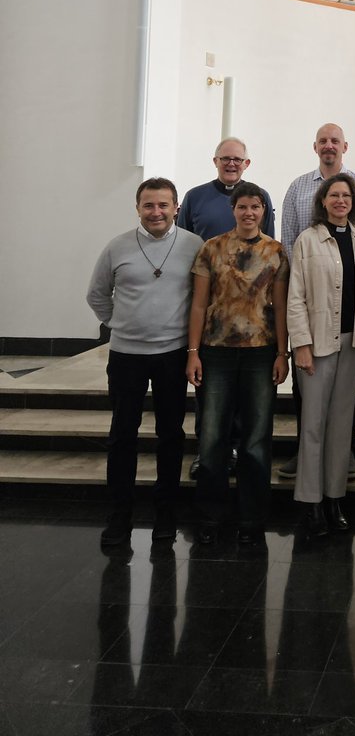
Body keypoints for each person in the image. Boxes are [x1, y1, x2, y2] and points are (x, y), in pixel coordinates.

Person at [86, 178, 203, 547]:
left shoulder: (193, 245)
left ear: (176, 208)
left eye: (163, 205)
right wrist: (121, 324)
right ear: (138, 208)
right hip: (126, 356)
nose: (156, 212)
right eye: (149, 206)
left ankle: (165, 513)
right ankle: (119, 516)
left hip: (172, 355)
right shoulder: (117, 246)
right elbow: (97, 295)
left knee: (170, 435)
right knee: (123, 436)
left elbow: (202, 298)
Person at [186, 182, 290, 543]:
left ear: (264, 211)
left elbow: (280, 307)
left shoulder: (276, 252)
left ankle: (251, 518)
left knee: (256, 439)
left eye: (255, 207)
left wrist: (282, 353)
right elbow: (199, 305)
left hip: (261, 353)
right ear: (233, 210)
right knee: (213, 437)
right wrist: (193, 352)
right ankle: (212, 517)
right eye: (243, 207)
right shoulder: (211, 249)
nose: (249, 213)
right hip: (216, 351)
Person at [287, 174, 355, 536]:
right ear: (323, 201)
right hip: (317, 344)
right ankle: (309, 503)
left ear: (354, 202)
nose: (341, 201)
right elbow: (295, 298)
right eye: (334, 195)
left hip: (352, 342)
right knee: (313, 424)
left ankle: (334, 498)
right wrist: (302, 345)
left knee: (342, 425)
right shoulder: (307, 241)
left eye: (346, 195)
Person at [279, 122, 355, 479]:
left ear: (345, 146)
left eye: (335, 141)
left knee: (346, 390)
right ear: (315, 146)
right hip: (309, 294)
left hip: (346, 296)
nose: (329, 146)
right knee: (307, 383)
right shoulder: (298, 187)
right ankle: (305, 452)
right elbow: (289, 239)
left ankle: (343, 453)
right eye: (323, 141)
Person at [178, 136, 275, 479]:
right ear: (215, 161)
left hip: (252, 323)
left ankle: (237, 453)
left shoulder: (260, 196)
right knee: (212, 404)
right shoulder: (195, 197)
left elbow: (271, 255)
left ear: (247, 163)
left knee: (247, 407)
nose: (231, 163)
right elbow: (183, 242)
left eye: (237, 159)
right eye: (225, 158)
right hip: (212, 311)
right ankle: (208, 454)